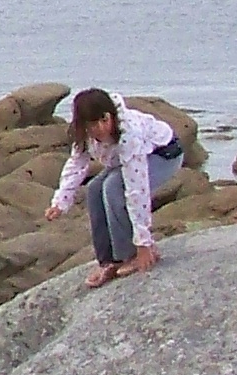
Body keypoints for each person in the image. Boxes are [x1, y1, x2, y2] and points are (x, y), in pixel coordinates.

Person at [44, 87, 183, 287]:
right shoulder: (82, 135)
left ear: (111, 116)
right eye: (93, 124)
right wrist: (60, 201)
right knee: (93, 190)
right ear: (83, 124)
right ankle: (107, 261)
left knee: (113, 188)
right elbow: (76, 165)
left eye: (104, 120)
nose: (100, 127)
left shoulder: (129, 133)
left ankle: (130, 254)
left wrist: (143, 242)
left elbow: (137, 191)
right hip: (123, 160)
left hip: (163, 154)